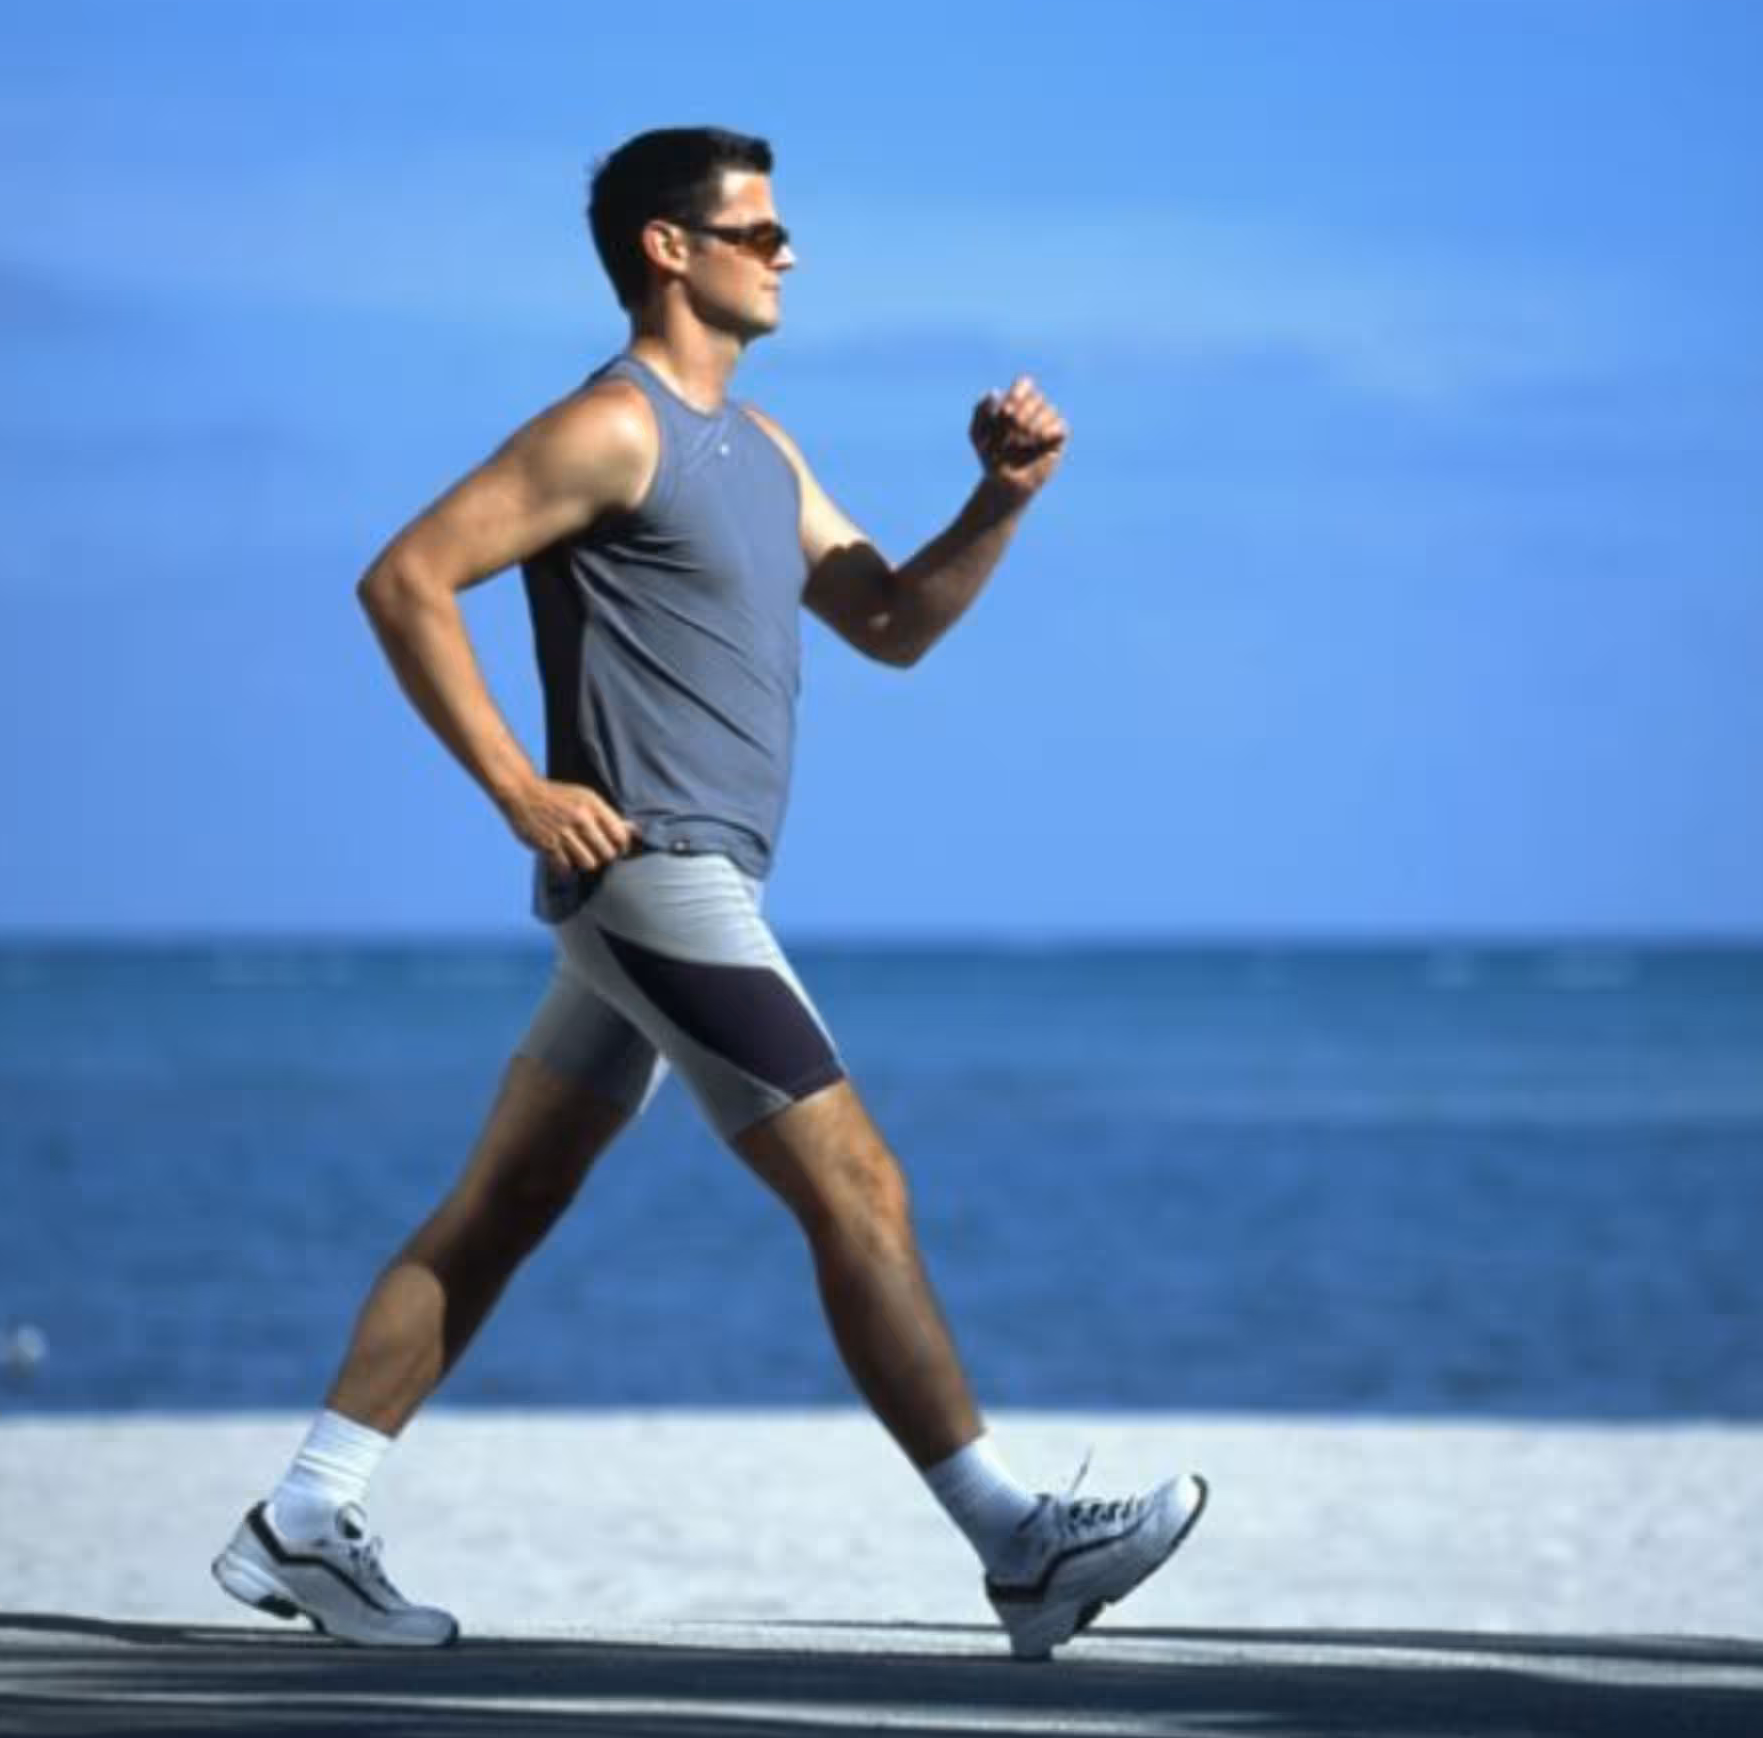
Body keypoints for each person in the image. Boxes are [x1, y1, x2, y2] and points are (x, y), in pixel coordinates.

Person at [206, 125, 1205, 1662]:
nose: (788, 253)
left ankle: (305, 1513)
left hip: (683, 884)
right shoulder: (613, 430)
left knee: (504, 1207)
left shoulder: (764, 449)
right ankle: (1016, 1542)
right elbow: (405, 579)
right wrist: (520, 789)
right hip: (654, 877)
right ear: (668, 249)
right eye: (760, 231)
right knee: (859, 1186)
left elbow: (892, 622)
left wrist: (1000, 499)